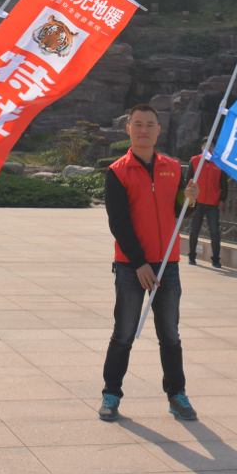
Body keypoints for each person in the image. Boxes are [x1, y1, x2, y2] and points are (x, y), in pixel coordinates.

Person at [98, 103, 199, 423]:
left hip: (168, 264)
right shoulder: (118, 171)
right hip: (132, 267)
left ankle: (177, 395)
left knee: (170, 334)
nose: (144, 129)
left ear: (159, 130)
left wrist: (190, 199)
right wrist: (140, 263)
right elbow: (118, 223)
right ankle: (111, 394)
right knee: (124, 333)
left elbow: (180, 213)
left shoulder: (173, 167)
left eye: (150, 124)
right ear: (128, 129)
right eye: (138, 124)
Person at [187, 141, 224, 269]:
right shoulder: (195, 160)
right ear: (202, 147)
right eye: (206, 145)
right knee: (194, 231)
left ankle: (216, 260)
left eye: (211, 146)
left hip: (213, 203)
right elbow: (188, 180)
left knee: (215, 232)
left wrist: (222, 199)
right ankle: (192, 257)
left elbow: (223, 183)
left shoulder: (219, 163)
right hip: (198, 202)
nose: (209, 148)